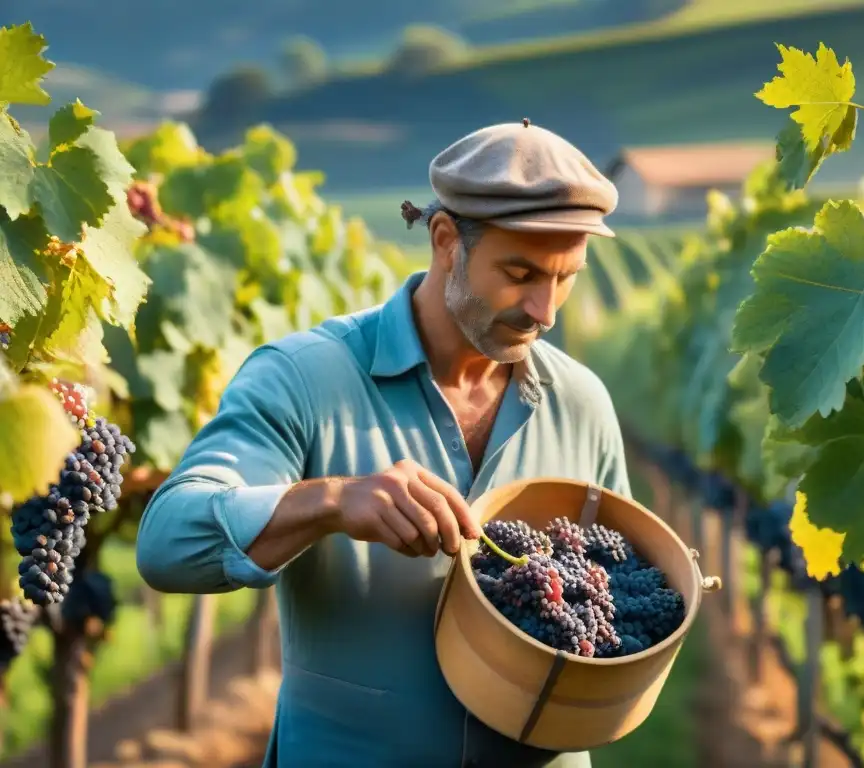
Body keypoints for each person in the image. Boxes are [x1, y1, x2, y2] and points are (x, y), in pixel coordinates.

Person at [136, 119, 631, 768]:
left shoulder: (582, 402)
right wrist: (331, 502)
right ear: (446, 240)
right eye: (520, 273)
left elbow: (623, 600)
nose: (546, 310)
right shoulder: (305, 376)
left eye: (566, 278)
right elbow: (167, 542)